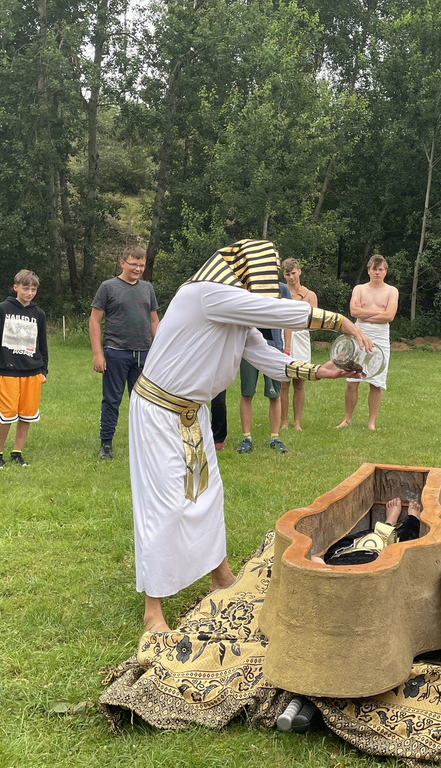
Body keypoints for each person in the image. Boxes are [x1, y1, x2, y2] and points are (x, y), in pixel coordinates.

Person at [128, 239, 371, 633]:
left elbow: (266, 356)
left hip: (192, 414)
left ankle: (220, 575)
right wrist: (339, 321)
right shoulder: (204, 295)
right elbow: (277, 311)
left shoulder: (233, 313)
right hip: (158, 412)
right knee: (165, 505)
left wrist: (318, 371)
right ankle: (152, 610)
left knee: (208, 494)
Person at [89, 244, 159, 460]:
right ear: (122, 263)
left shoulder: (147, 288)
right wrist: (97, 353)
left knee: (144, 402)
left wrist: (159, 349)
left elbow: (154, 320)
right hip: (116, 351)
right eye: (134, 264)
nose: (138, 269)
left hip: (144, 353)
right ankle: (106, 444)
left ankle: (145, 445)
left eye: (141, 265)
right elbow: (94, 320)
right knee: (112, 400)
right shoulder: (108, 287)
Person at [0, 269, 49, 468]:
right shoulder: (3, 309)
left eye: (33, 289)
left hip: (32, 372)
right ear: (16, 287)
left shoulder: (39, 314)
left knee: (26, 415)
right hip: (7, 372)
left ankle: (17, 452)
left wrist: (43, 370)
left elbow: (42, 344)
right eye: (25, 288)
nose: (29, 293)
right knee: (6, 415)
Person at [336, 254, 398, 430]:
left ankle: (371, 422)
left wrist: (366, 313)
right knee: (352, 379)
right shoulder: (359, 289)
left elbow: (389, 316)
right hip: (359, 333)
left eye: (380, 269)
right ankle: (347, 419)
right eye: (374, 269)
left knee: (376, 381)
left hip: (381, 336)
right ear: (368, 270)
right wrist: (377, 313)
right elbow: (354, 312)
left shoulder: (391, 291)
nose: (377, 272)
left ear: (385, 271)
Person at [237, 281, 291, 454]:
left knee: (275, 395)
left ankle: (275, 437)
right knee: (247, 393)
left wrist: (287, 346)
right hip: (249, 348)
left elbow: (289, 317)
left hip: (273, 346)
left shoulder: (281, 289)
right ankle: (246, 438)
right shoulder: (246, 287)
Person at [310, 496, 423, 565]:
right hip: (379, 562)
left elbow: (314, 560)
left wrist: (323, 568)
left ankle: (389, 524)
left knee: (365, 540)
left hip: (343, 558)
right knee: (407, 537)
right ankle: (406, 520)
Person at [281, 258, 318, 430]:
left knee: (300, 381)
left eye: (293, 273)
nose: (291, 277)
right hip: (283, 336)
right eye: (287, 274)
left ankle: (297, 422)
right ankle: (283, 421)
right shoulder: (281, 292)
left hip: (302, 337)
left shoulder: (310, 295)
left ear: (299, 271)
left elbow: (316, 322)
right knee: (283, 381)